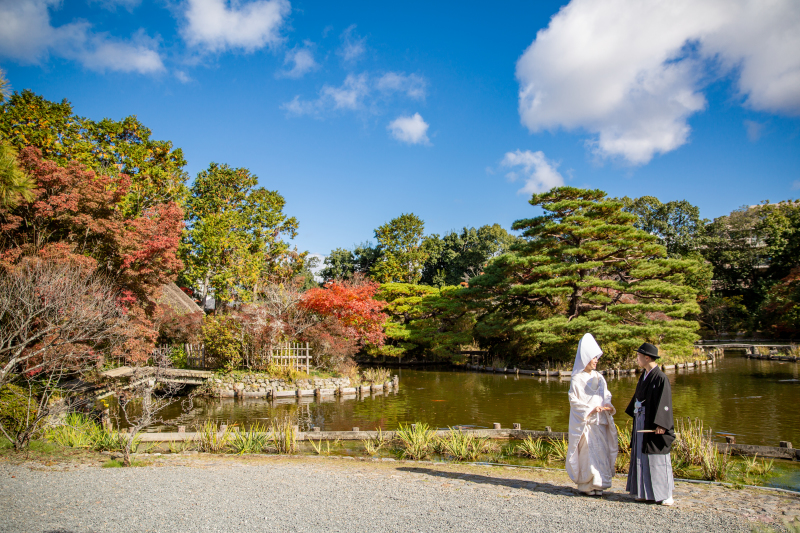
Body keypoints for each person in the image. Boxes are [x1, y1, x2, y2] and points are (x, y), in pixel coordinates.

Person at [566, 333, 618, 496]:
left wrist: (607, 404)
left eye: (597, 358)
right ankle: (587, 484)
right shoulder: (577, 379)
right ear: (586, 358)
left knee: (601, 451)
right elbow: (574, 401)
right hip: (586, 423)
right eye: (593, 358)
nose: (596, 361)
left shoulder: (599, 377)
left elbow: (606, 394)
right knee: (589, 452)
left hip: (600, 421)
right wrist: (590, 410)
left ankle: (600, 483)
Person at [625, 342, 675, 506]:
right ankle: (645, 492)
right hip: (641, 418)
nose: (637, 359)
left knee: (657, 456)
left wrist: (662, 423)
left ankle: (665, 494)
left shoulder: (660, 377)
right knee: (641, 455)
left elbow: (665, 402)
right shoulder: (644, 375)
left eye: (639, 356)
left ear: (647, 357)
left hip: (653, 422)